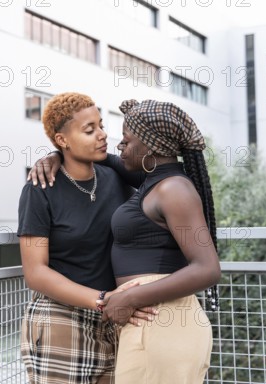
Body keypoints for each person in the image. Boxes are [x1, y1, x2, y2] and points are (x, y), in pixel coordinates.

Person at [18, 93, 155, 383]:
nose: (103, 135)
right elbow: (35, 272)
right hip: (61, 319)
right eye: (89, 130)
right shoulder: (39, 188)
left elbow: (162, 174)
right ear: (63, 139)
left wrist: (56, 155)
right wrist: (103, 299)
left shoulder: (115, 175)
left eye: (101, 125)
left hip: (115, 316)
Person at [96, 99, 221, 383]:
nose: (120, 147)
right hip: (153, 325)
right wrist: (57, 155)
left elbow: (208, 268)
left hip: (161, 328)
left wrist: (128, 298)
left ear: (150, 146)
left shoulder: (173, 189)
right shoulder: (155, 182)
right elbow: (109, 159)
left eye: (126, 140)